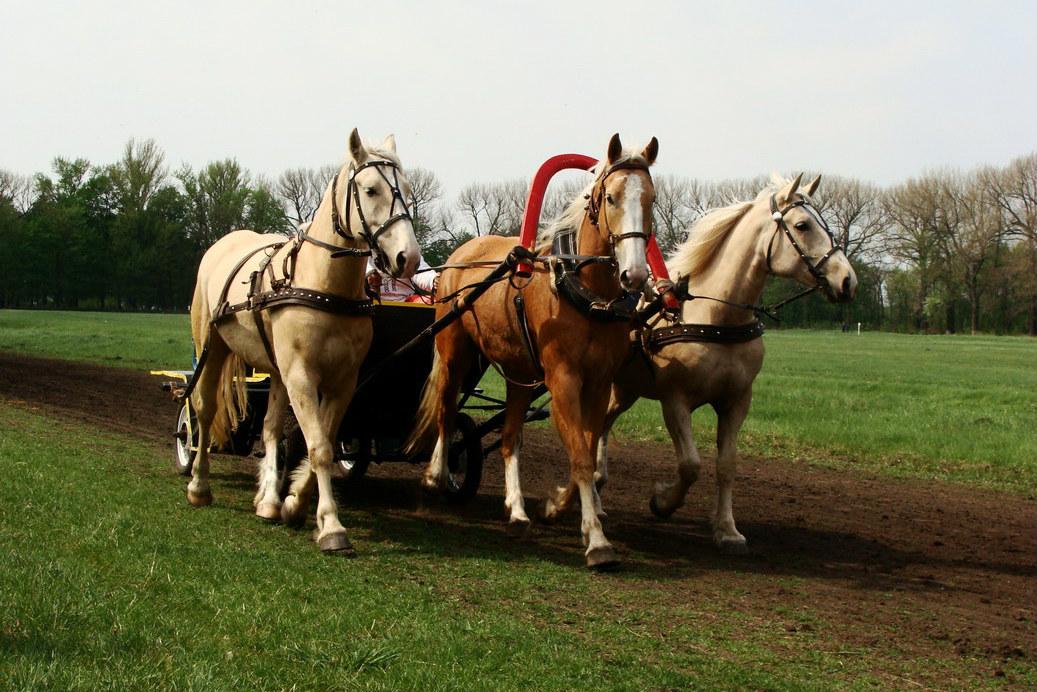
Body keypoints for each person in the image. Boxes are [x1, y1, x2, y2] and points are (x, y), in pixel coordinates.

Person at [366, 254, 436, 303]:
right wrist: (368, 275)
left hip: (406, 301)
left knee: (437, 303)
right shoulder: (362, 252)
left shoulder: (406, 251)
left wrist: (434, 280)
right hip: (369, 302)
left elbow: (422, 274)